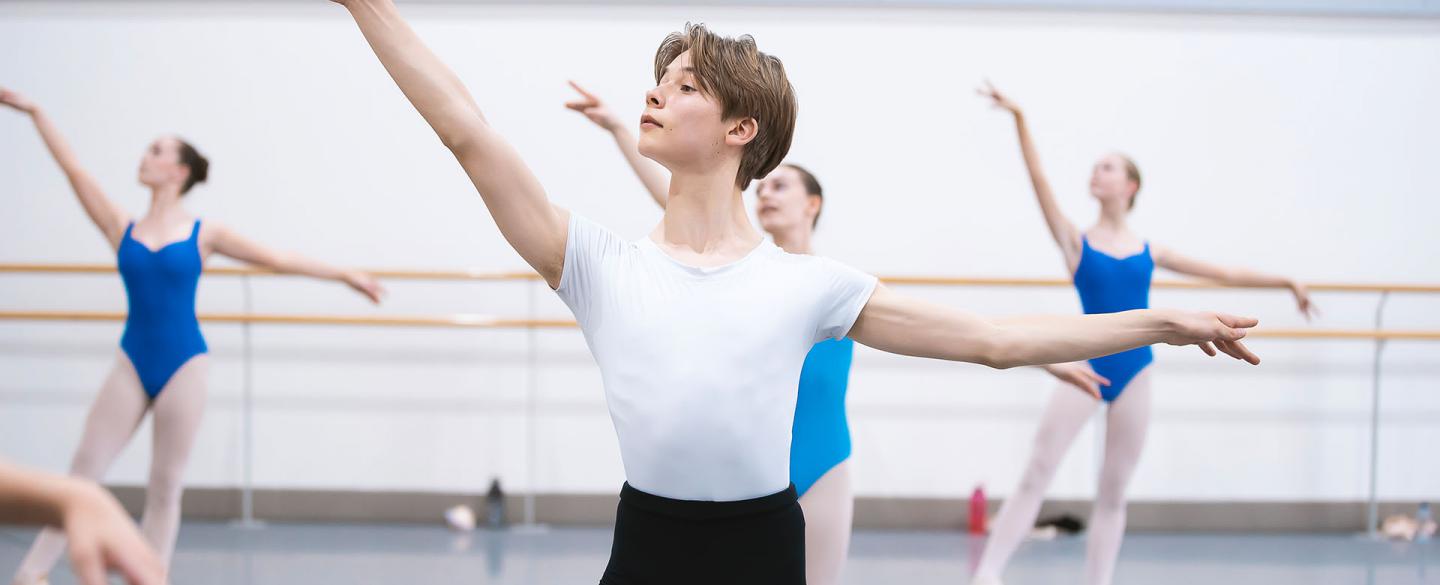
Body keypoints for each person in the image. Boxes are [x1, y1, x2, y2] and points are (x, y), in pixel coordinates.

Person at [328, 4, 1259, 582]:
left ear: (740, 127)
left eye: (682, 85)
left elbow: (990, 338)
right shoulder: (595, 261)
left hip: (764, 548)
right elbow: (468, 132)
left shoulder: (808, 285)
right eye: (658, 80)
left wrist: (1164, 319)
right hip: (646, 545)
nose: (655, 94)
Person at [1, 86, 385, 584]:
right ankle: (31, 574)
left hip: (186, 363)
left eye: (156, 150)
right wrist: (36, 112)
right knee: (82, 472)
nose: (145, 156)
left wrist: (344, 274)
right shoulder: (121, 225)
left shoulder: (206, 232)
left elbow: (277, 258)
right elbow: (75, 171)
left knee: (165, 486)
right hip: (131, 360)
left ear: (179, 172)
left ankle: (151, 576)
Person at [970, 81, 1315, 585]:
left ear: (1130, 186)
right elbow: (1039, 181)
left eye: (1107, 167)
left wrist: (1286, 281)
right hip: (1084, 365)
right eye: (1095, 167)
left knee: (1113, 492)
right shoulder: (1075, 241)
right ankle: (988, 575)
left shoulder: (1151, 250)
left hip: (1136, 371)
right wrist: (1020, 118)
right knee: (1037, 474)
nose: (1096, 173)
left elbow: (1222, 272)